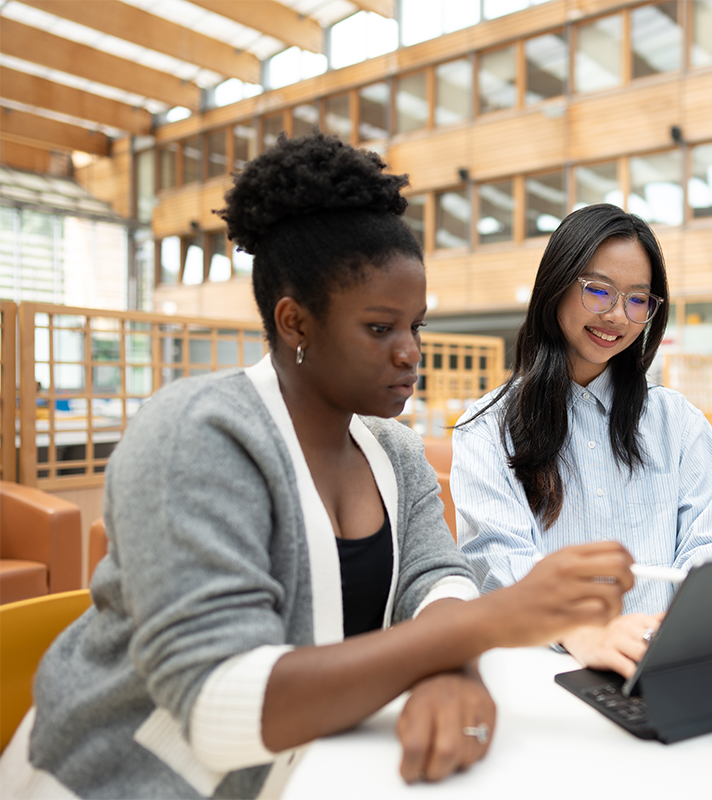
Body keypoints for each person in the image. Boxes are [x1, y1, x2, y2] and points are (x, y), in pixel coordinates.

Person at [0, 133, 635, 799]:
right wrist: (494, 622)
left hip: (313, 774)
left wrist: (452, 672)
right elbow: (222, 708)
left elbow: (438, 583)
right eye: (379, 328)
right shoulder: (196, 435)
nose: (409, 353)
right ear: (295, 322)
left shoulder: (393, 452)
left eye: (416, 326)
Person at [451, 204, 712, 679]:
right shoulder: (487, 429)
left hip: (662, 665)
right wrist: (581, 631)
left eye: (637, 300)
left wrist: (681, 626)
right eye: (598, 290)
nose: (616, 316)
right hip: (544, 672)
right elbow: (499, 564)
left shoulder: (679, 424)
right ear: (557, 284)